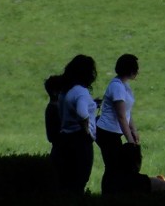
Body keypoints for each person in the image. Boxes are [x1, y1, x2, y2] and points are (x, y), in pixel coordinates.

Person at [96, 54, 140, 194]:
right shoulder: (117, 87)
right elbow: (121, 116)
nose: (137, 72)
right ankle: (109, 194)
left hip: (115, 133)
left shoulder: (124, 85)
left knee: (116, 166)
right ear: (131, 71)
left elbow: (127, 112)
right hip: (107, 133)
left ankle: (114, 193)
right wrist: (130, 141)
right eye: (136, 69)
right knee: (113, 167)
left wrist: (134, 129)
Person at [56, 55, 98, 195]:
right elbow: (81, 112)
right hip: (80, 141)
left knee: (66, 182)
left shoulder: (65, 91)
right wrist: (87, 131)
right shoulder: (81, 91)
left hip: (65, 139)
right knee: (79, 180)